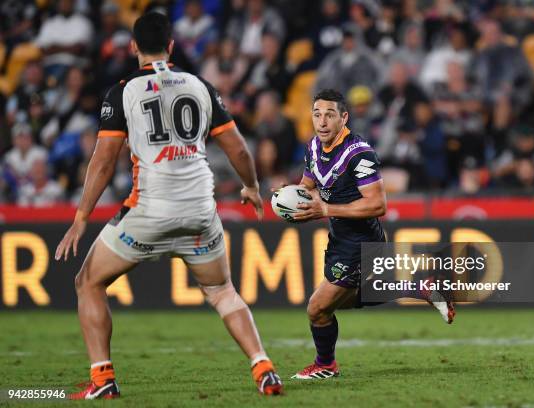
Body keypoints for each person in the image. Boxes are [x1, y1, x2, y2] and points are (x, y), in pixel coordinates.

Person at [54, 12, 283, 399]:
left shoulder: (123, 91)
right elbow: (239, 149)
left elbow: (104, 160)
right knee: (224, 291)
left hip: (149, 213)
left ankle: (102, 380)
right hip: (200, 212)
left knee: (88, 282)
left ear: (132, 47)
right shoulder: (200, 86)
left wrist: (80, 218)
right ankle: (263, 366)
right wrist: (251, 187)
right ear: (172, 46)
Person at [290, 89, 455, 380]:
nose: (322, 121)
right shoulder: (314, 147)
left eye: (330, 115)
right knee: (335, 303)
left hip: (362, 242)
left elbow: (378, 204)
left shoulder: (359, 152)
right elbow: (307, 186)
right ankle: (420, 288)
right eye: (317, 114)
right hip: (340, 240)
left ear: (344, 118)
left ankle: (325, 365)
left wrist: (325, 210)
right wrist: (288, 199)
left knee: (317, 308)